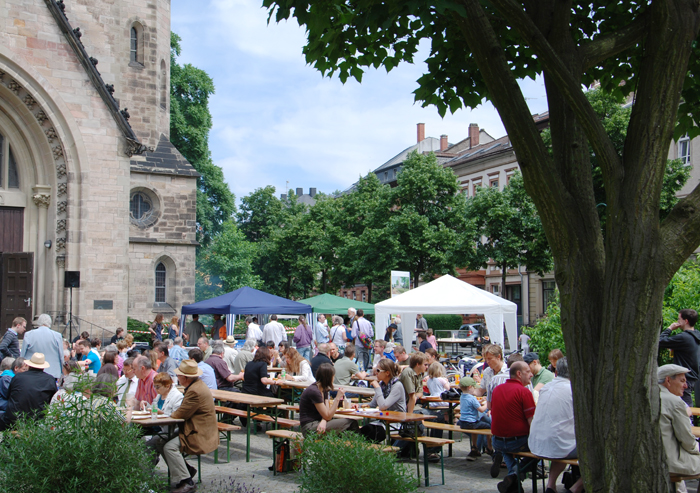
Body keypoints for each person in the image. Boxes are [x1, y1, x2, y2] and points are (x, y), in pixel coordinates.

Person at [156, 359, 218, 493]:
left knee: (169, 447)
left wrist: (165, 414)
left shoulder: (195, 391)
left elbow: (180, 414)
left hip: (200, 432)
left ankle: (187, 482)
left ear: (185, 377)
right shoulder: (196, 386)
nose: (177, 377)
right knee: (160, 440)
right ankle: (186, 469)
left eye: (178, 375)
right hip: (194, 427)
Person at [528, 357, 583, 493]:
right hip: (557, 445)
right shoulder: (574, 390)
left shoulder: (547, 387)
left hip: (536, 443)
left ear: (557, 370)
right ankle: (575, 488)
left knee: (560, 443)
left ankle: (550, 486)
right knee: (597, 453)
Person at [490, 361, 537, 492]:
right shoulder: (524, 392)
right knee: (541, 450)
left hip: (497, 441)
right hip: (517, 442)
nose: (531, 374)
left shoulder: (497, 389)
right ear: (519, 373)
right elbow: (531, 422)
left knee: (506, 449)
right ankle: (514, 475)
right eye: (528, 372)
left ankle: (513, 483)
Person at [657, 364, 700, 487]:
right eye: (682, 381)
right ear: (668, 380)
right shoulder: (675, 402)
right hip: (671, 462)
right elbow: (687, 441)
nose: (686, 386)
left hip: (656, 458)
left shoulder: (649, 396)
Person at [0, 353, 57, 431]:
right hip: (37, 419)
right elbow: (52, 400)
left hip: (14, 418)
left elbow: (9, 395)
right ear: (43, 367)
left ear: (29, 365)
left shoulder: (18, 377)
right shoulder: (50, 379)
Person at [299, 363, 359, 436]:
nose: (334, 379)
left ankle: (345, 446)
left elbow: (327, 413)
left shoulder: (323, 390)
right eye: (333, 376)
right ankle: (360, 445)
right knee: (351, 423)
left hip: (319, 423)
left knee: (344, 431)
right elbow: (328, 416)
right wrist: (337, 398)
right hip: (310, 427)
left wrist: (324, 421)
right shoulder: (314, 391)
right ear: (329, 378)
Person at [659, 309, 700, 407]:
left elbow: (660, 341)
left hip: (683, 378)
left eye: (679, 319)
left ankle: (688, 422)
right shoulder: (697, 335)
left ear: (686, 321)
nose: (677, 322)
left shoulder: (684, 338)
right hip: (693, 377)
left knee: (684, 407)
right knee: (683, 405)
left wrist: (669, 329)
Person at [359, 359, 406, 443]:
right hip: (383, 421)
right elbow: (372, 404)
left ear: (387, 373)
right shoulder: (382, 384)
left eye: (378, 370)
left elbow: (383, 406)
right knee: (364, 431)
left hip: (396, 423)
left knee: (373, 434)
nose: (375, 373)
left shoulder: (397, 386)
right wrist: (357, 406)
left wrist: (377, 388)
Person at [457, 376, 493, 461]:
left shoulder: (462, 397)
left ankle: (474, 447)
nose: (474, 389)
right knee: (488, 426)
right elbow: (481, 410)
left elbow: (471, 404)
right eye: (473, 388)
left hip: (462, 422)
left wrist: (479, 401)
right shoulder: (472, 398)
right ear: (470, 387)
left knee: (476, 428)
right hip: (471, 423)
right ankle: (489, 447)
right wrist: (487, 404)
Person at [20, 313, 63, 380]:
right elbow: (61, 356)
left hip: (32, 371)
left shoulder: (29, 334)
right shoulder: (57, 336)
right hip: (52, 371)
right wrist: (62, 371)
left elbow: (22, 354)